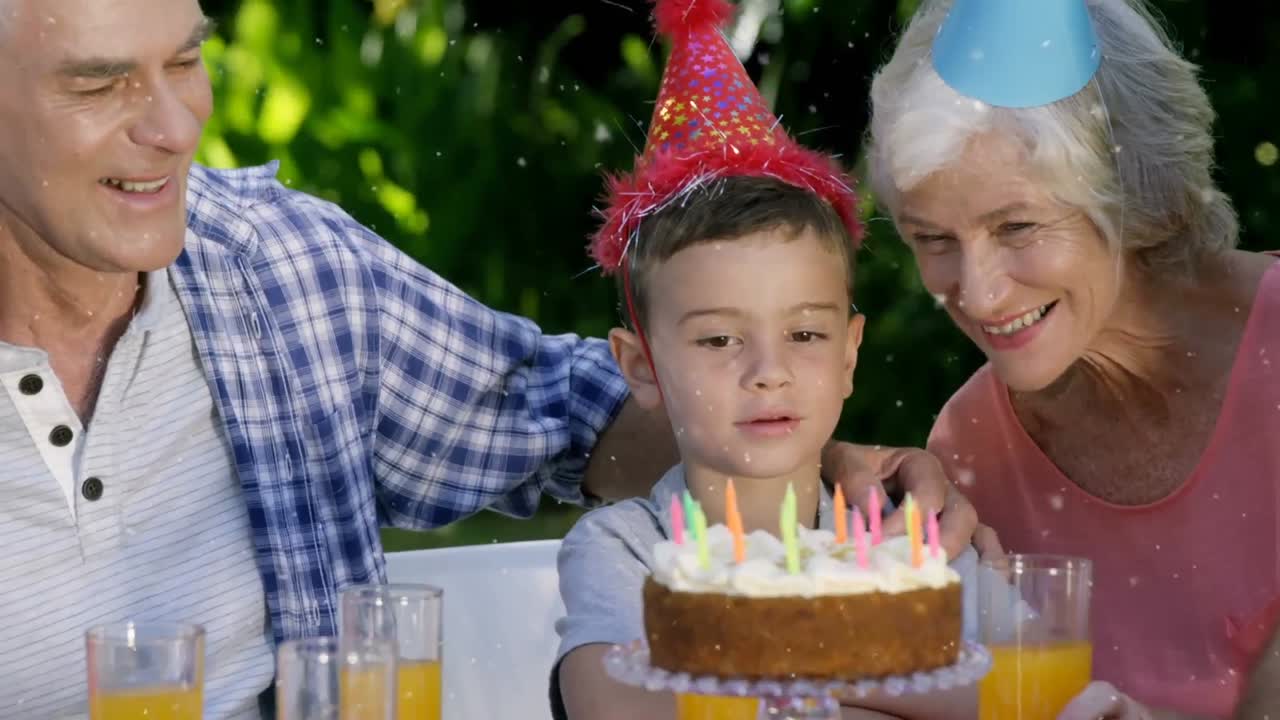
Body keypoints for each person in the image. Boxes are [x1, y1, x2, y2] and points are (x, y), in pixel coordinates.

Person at [0, 0, 973, 716]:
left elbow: (567, 414)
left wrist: (811, 474)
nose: (173, 128)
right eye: (99, 83)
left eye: (183, 63)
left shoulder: (282, 274)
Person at [553, 3, 990, 718]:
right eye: (720, 340)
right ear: (641, 368)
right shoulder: (626, 550)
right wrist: (881, 678)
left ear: (850, 352)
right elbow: (616, 708)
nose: (769, 371)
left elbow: (1016, 693)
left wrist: (762, 662)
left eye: (806, 336)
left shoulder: (905, 533)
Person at [865, 0, 1279, 717]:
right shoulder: (969, 453)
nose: (980, 291)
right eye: (933, 239)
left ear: (1130, 195)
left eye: (1017, 226)